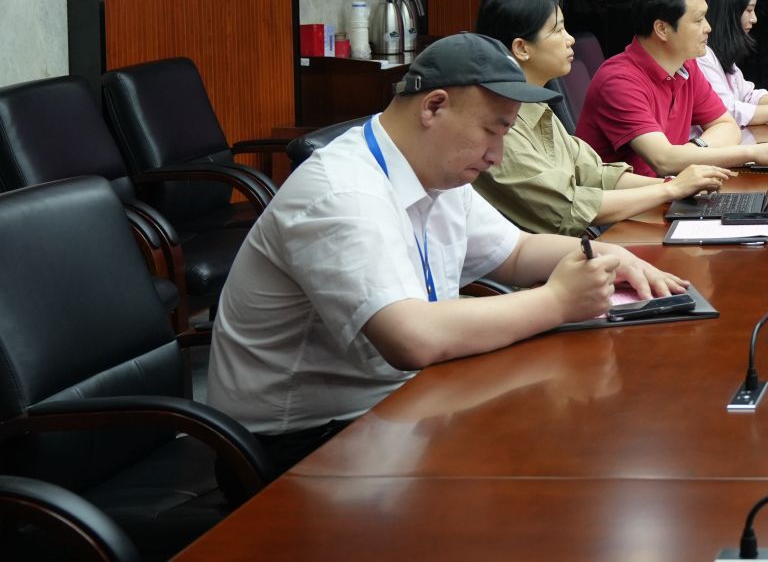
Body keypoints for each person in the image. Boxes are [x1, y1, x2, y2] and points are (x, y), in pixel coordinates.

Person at [208, 33, 689, 469]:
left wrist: (608, 256)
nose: (497, 156)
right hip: (303, 442)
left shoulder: (434, 168)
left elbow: (516, 252)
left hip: (402, 402)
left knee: (572, 441)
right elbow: (411, 338)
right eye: (492, 131)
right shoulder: (342, 193)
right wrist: (557, 301)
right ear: (434, 107)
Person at [470, 0, 732, 234]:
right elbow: (568, 208)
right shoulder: (500, 130)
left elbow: (597, 174)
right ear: (521, 48)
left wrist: (676, 186)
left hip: (592, 237)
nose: (570, 39)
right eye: (558, 30)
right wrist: (669, 190)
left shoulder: (536, 107)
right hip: (565, 252)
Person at [576, 0, 768, 176]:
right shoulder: (619, 81)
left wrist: (691, 151)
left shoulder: (686, 66)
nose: (708, 27)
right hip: (633, 200)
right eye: (698, 20)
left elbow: (728, 127)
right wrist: (753, 153)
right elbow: (664, 160)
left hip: (673, 191)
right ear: (662, 29)